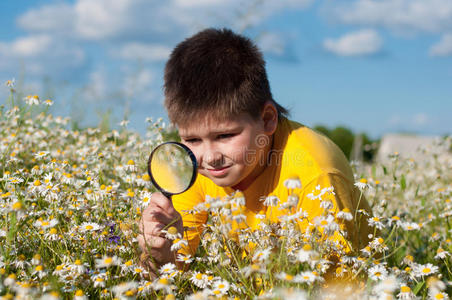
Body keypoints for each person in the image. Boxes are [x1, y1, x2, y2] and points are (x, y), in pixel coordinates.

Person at [138, 28, 371, 276]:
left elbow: (339, 288)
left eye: (225, 136)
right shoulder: (195, 166)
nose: (210, 157)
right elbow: (169, 274)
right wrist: (159, 256)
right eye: (192, 139)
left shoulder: (315, 176)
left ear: (268, 120)